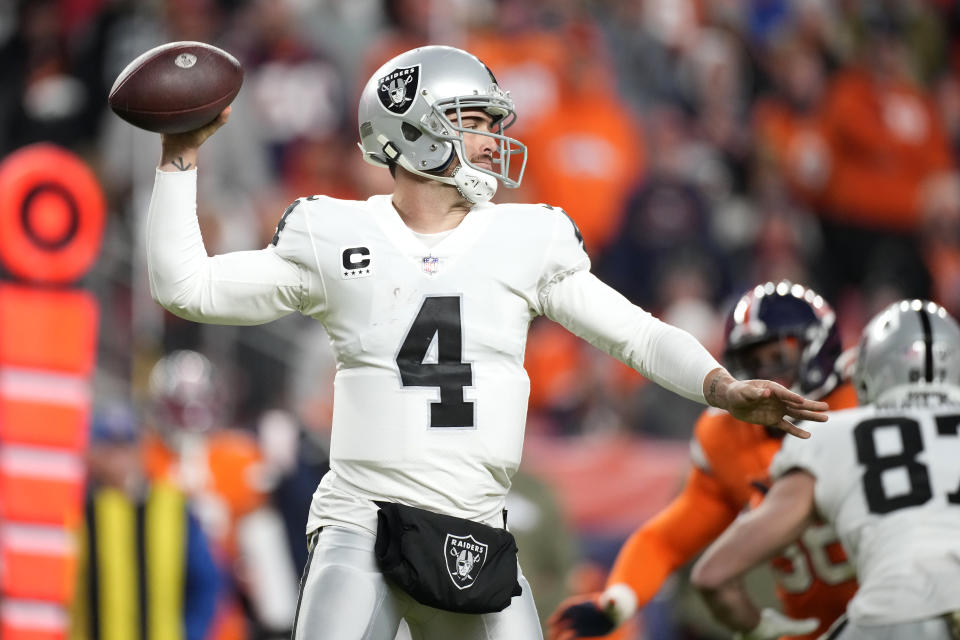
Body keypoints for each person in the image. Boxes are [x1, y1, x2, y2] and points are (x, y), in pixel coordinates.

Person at [143, 45, 829, 639]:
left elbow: (636, 334)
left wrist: (721, 386)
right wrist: (179, 159)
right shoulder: (334, 235)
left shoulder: (525, 238)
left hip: (475, 527)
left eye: (490, 124)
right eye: (471, 122)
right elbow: (188, 288)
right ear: (411, 130)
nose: (489, 141)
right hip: (363, 519)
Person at [549, 281, 859, 640]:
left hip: (893, 614)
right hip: (808, 628)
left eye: (778, 357)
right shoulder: (728, 436)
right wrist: (618, 598)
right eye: (752, 362)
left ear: (819, 348)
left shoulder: (864, 401)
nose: (766, 374)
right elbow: (666, 540)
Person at [691, 299, 960, 640]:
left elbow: (712, 577)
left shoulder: (832, 433)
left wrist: (757, 628)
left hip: (897, 612)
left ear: (866, 373)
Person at [72, 402, 220, 640]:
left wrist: (191, 634)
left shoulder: (172, 506)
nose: (118, 459)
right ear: (92, 452)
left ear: (141, 450)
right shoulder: (77, 510)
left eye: (126, 447)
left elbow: (205, 583)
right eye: (109, 448)